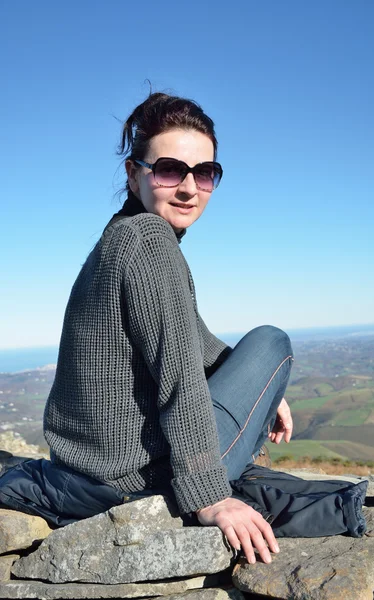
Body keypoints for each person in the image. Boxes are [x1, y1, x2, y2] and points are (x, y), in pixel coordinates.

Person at [0, 92, 294, 565]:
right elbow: (179, 377)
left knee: (254, 353)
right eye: (170, 170)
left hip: (86, 467)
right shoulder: (151, 240)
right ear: (134, 174)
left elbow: (188, 336)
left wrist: (260, 389)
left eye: (205, 173)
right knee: (271, 342)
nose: (189, 187)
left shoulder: (119, 237)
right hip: (137, 477)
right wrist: (210, 497)